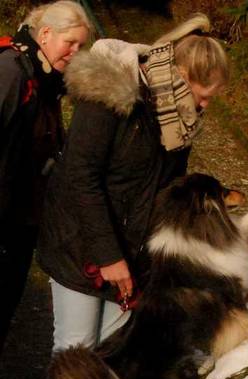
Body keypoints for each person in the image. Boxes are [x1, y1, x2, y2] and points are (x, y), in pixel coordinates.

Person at [36, 13, 229, 352]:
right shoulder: (109, 95)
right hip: (79, 247)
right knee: (76, 352)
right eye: (204, 95)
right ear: (182, 77)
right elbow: (81, 177)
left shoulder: (178, 121)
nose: (205, 105)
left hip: (132, 259)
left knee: (114, 352)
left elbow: (165, 193)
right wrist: (109, 257)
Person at [0, 0, 91, 358]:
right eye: (70, 42)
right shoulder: (11, 72)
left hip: (19, 224)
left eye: (82, 45)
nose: (76, 52)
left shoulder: (46, 81)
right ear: (46, 34)